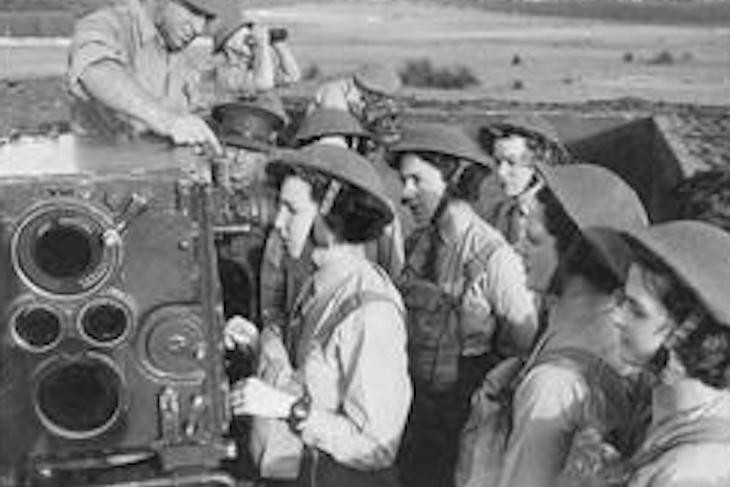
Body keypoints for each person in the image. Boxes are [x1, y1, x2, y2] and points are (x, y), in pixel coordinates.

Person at [225, 144, 412, 486]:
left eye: (292, 210)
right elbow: (310, 373)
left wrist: (288, 409)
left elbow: (377, 448)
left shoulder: (370, 313)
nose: (278, 222)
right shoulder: (318, 282)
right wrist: (257, 346)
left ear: (329, 218)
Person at [388, 122, 537, 487]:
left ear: (452, 180)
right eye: (404, 181)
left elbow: (521, 345)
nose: (405, 194)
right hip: (414, 403)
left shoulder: (494, 258)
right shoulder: (418, 243)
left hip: (462, 414)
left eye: (416, 181)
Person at [484, 163, 649, 487]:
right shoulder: (619, 335)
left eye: (533, 239)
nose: (517, 248)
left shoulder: (553, 385)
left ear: (575, 257)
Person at [259, 108, 407, 334]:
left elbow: (393, 270)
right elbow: (273, 290)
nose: (281, 222)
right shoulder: (311, 276)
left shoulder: (369, 308)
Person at [609, 220, 730, 486]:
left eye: (636, 309)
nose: (617, 317)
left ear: (686, 331)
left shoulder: (689, 472)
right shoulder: (669, 412)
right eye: (621, 300)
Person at [67, 0, 229, 152]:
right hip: (101, 175)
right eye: (194, 11)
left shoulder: (179, 54)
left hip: (163, 174)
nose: (199, 29)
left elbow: (189, 117)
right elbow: (94, 69)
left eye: (206, 18)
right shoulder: (106, 23)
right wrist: (167, 121)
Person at [479, 114, 573, 247]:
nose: (501, 172)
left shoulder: (561, 218)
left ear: (540, 164)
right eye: (498, 161)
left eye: (511, 162)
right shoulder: (500, 214)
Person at [211, 8, 301, 99]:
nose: (250, 40)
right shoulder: (224, 69)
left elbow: (293, 76)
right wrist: (262, 43)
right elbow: (263, 84)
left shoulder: (254, 63)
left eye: (249, 33)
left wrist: (278, 43)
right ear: (229, 44)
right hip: (236, 111)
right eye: (244, 37)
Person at [307, 63, 401, 135]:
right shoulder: (335, 92)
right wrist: (365, 120)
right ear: (368, 91)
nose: (381, 101)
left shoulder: (363, 101)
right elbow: (337, 125)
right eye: (379, 96)